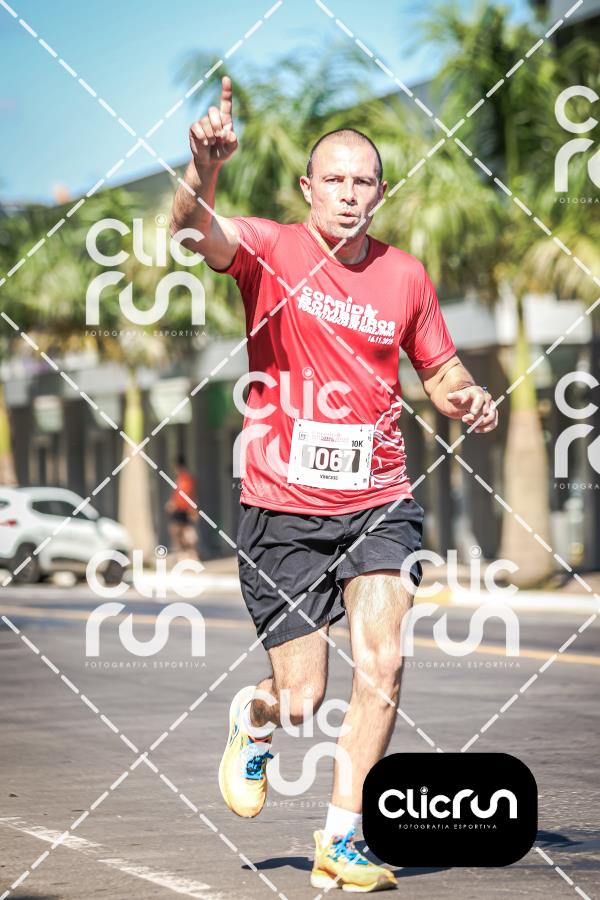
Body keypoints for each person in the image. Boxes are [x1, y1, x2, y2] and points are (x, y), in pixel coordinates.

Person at [170, 76, 498, 892]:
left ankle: (342, 840)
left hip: (379, 499)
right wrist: (204, 168)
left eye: (364, 182)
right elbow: (194, 231)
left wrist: (465, 395)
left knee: (383, 662)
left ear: (380, 194)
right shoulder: (270, 251)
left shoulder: (405, 276)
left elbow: (440, 370)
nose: (350, 194)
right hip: (280, 507)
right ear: (307, 188)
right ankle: (256, 716)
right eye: (336, 180)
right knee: (303, 698)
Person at [165, 454, 199, 561]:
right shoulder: (181, 479)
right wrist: (172, 502)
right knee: (178, 531)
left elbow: (187, 495)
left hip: (184, 509)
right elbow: (178, 494)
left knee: (185, 531)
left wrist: (192, 510)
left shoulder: (185, 479)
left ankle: (190, 553)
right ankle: (184, 553)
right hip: (181, 509)